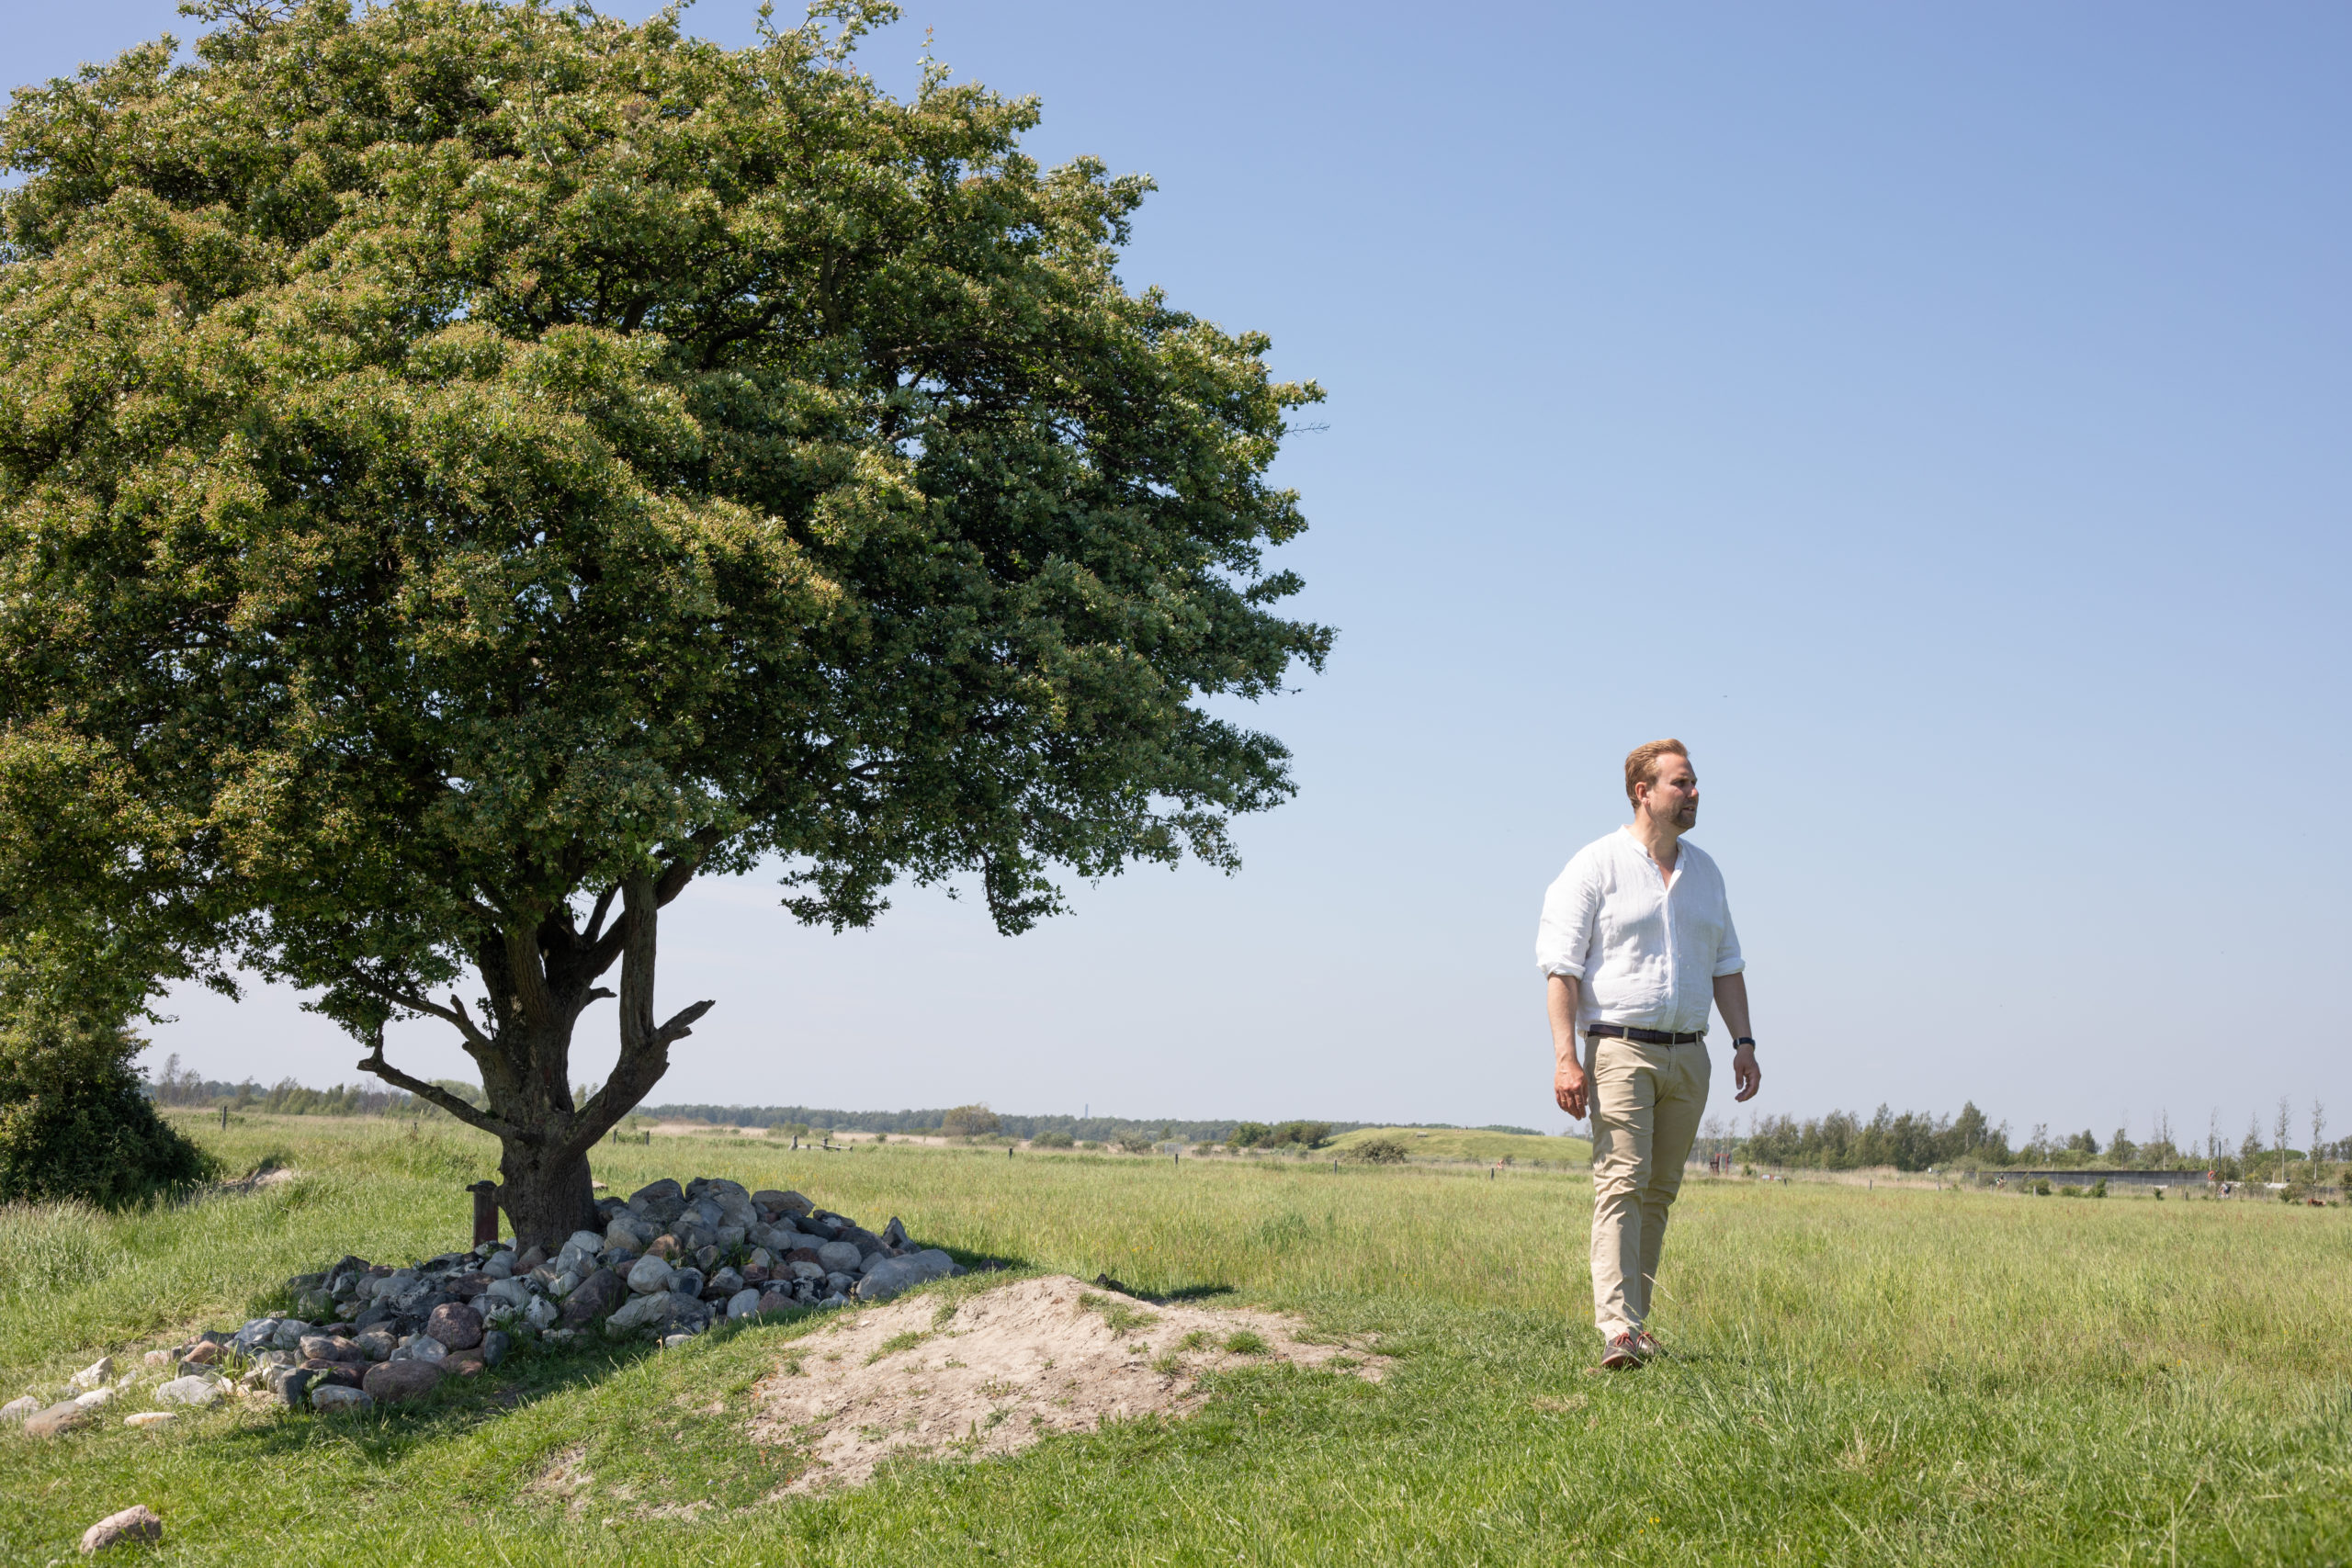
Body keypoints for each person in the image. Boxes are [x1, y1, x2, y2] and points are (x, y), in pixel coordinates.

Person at [1534, 739, 1760, 1371]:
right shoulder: (1595, 865)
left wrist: (1744, 1042)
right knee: (1622, 1181)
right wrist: (1565, 1057)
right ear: (1644, 791)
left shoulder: (1707, 873)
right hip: (1619, 1048)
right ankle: (1617, 1326)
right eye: (1681, 784)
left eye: (1693, 784)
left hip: (1690, 1055)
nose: (1693, 794)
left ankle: (1637, 1321)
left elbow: (1727, 966)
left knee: (1658, 1191)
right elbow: (1560, 968)